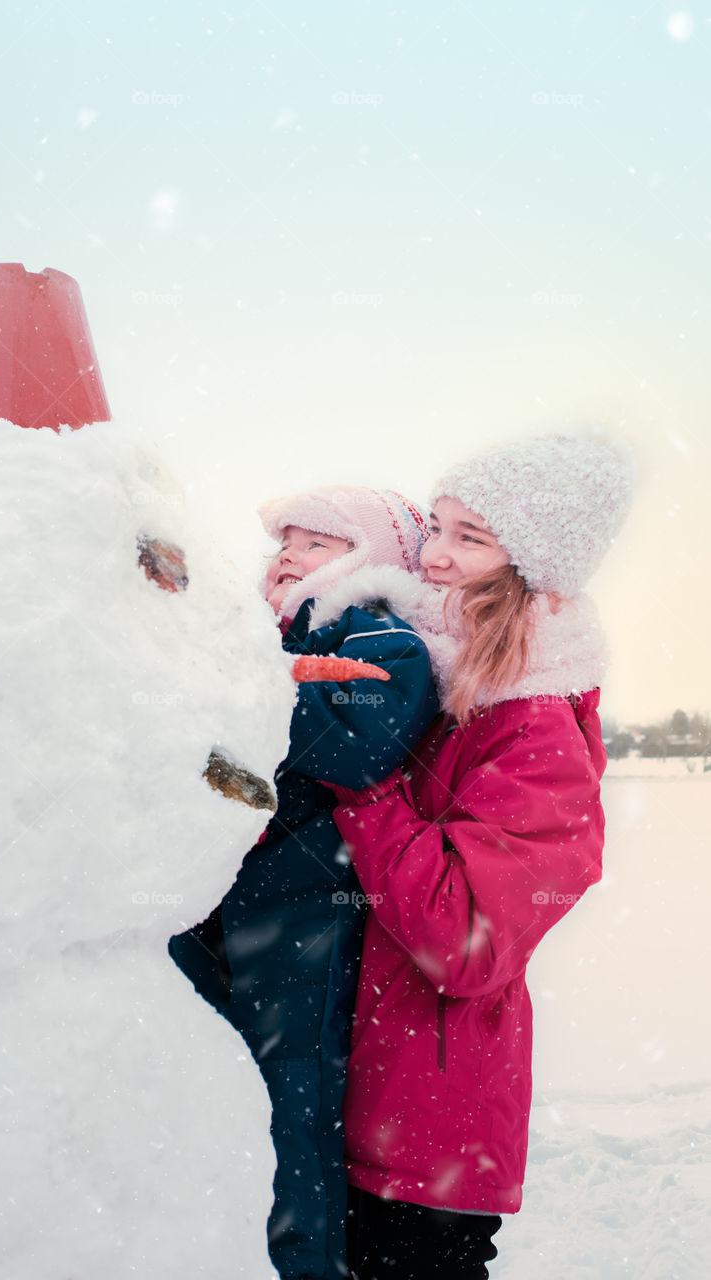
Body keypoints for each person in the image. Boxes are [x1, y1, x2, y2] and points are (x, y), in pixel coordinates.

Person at [329, 434, 635, 1280]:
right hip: (354, 1095)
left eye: (471, 538)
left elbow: (466, 940)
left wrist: (364, 788)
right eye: (437, 526)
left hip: (427, 1130)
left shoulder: (533, 727)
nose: (433, 556)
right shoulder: (426, 680)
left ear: (531, 565)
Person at [169, 486, 439, 1280]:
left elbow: (355, 749)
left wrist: (252, 683)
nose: (289, 554)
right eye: (284, 541)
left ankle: (304, 1263)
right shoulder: (257, 635)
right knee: (203, 1076)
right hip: (212, 895)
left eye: (316, 542)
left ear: (370, 557)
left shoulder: (385, 638)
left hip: (302, 905)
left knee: (291, 1093)